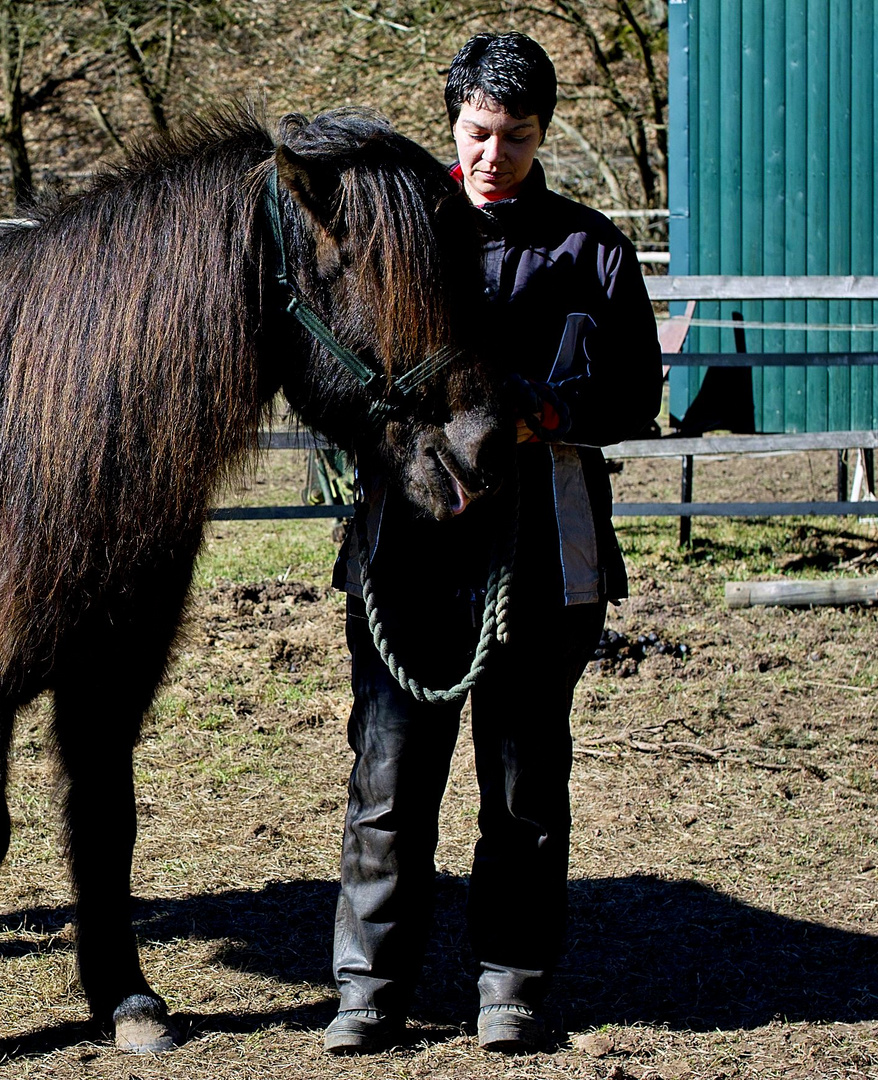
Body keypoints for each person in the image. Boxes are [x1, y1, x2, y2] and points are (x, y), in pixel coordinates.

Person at [322, 31, 663, 1055]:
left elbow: (637, 396)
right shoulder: (402, 239)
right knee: (387, 774)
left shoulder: (589, 248)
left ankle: (510, 983)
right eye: (476, 134)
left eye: (512, 138)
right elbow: (339, 368)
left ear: (541, 132)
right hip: (411, 549)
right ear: (453, 123)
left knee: (523, 783)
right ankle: (369, 987)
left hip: (542, 552)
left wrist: (544, 411)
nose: (489, 157)